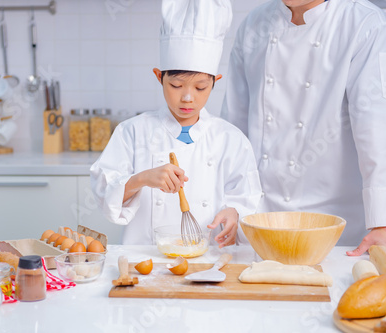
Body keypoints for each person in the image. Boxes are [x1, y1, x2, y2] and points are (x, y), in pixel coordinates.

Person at [222, 0, 386, 255]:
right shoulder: (253, 25)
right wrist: (230, 202)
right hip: (260, 223)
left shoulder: (365, 24)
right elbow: (234, 127)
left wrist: (384, 222)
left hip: (337, 230)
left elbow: (377, 127)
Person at [90, 0, 262, 246]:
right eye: (176, 85)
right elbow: (104, 193)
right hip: (145, 264)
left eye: (201, 87)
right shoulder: (132, 132)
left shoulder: (230, 139)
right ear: (159, 77)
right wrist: (142, 178)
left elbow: (248, 200)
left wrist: (234, 213)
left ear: (215, 82)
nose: (188, 97)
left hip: (209, 263)